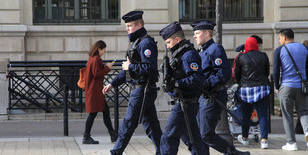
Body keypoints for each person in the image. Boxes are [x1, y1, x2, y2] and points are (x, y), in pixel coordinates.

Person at [103, 11, 162, 155]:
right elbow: (126, 70)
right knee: (151, 126)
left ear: (139, 25)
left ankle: (115, 152)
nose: (127, 29)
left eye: (130, 26)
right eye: (127, 26)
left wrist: (130, 66)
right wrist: (112, 84)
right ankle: (164, 151)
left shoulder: (145, 43)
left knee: (128, 123)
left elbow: (149, 67)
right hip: (140, 88)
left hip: (143, 89)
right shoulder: (136, 43)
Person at [190, 20, 250, 155]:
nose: (194, 36)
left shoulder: (215, 49)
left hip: (212, 95)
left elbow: (223, 72)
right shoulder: (202, 51)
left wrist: (206, 83)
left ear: (206, 33)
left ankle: (233, 153)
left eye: (197, 33)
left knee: (206, 134)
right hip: (203, 97)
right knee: (200, 133)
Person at [159, 21, 208, 155]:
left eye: (169, 42)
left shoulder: (188, 55)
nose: (168, 47)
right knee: (193, 139)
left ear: (177, 39)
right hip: (184, 102)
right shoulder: (179, 54)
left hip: (186, 103)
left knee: (168, 137)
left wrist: (176, 83)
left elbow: (197, 78)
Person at [273, 28, 308, 151]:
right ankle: (307, 133)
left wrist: (277, 87)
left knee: (287, 115)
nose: (279, 40)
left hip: (286, 86)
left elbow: (276, 71)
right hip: (302, 87)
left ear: (284, 37)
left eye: (280, 38)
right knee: (304, 112)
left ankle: (291, 143)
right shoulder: (304, 48)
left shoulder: (279, 50)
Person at [234, 36, 270, 149]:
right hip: (262, 89)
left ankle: (245, 138)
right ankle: (264, 140)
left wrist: (242, 83)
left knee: (246, 115)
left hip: (246, 90)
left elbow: (237, 74)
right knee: (263, 115)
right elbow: (267, 72)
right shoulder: (263, 56)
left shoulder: (241, 57)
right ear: (256, 45)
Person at [83, 40, 117, 144]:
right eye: (103, 50)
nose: (104, 52)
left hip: (93, 91)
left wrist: (105, 66)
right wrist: (108, 67)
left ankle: (113, 135)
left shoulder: (92, 58)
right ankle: (86, 136)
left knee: (103, 111)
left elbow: (95, 72)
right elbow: (97, 74)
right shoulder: (96, 59)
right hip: (95, 92)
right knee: (94, 114)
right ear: (99, 49)